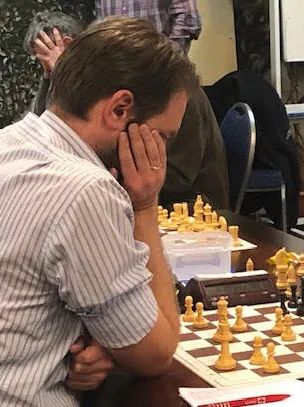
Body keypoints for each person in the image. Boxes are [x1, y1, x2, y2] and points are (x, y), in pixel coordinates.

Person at [0, 16, 200, 407]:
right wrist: (145, 205)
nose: (161, 153)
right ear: (120, 109)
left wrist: (96, 340)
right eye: (161, 136)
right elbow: (156, 353)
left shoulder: (11, 142)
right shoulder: (85, 190)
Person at [24, 10, 229, 209]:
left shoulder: (174, 94)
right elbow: (46, 131)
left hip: (190, 209)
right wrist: (55, 78)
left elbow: (175, 179)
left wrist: (117, 187)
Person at [23, 11, 85, 116]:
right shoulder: (55, 74)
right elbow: (40, 117)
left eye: (46, 54)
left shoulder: (98, 69)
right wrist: (47, 77)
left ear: (67, 43)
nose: (44, 62)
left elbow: (80, 114)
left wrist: (61, 69)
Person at [95, 0, 202, 53]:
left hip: (160, 69)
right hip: (117, 69)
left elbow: (189, 19)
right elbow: (101, 25)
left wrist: (169, 57)